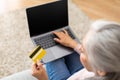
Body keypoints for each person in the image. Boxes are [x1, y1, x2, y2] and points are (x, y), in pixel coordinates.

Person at [32, 20, 120, 80]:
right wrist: (72, 43)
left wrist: (44, 78)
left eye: (83, 51)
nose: (79, 47)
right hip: (83, 71)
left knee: (52, 54)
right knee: (61, 45)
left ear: (101, 70)